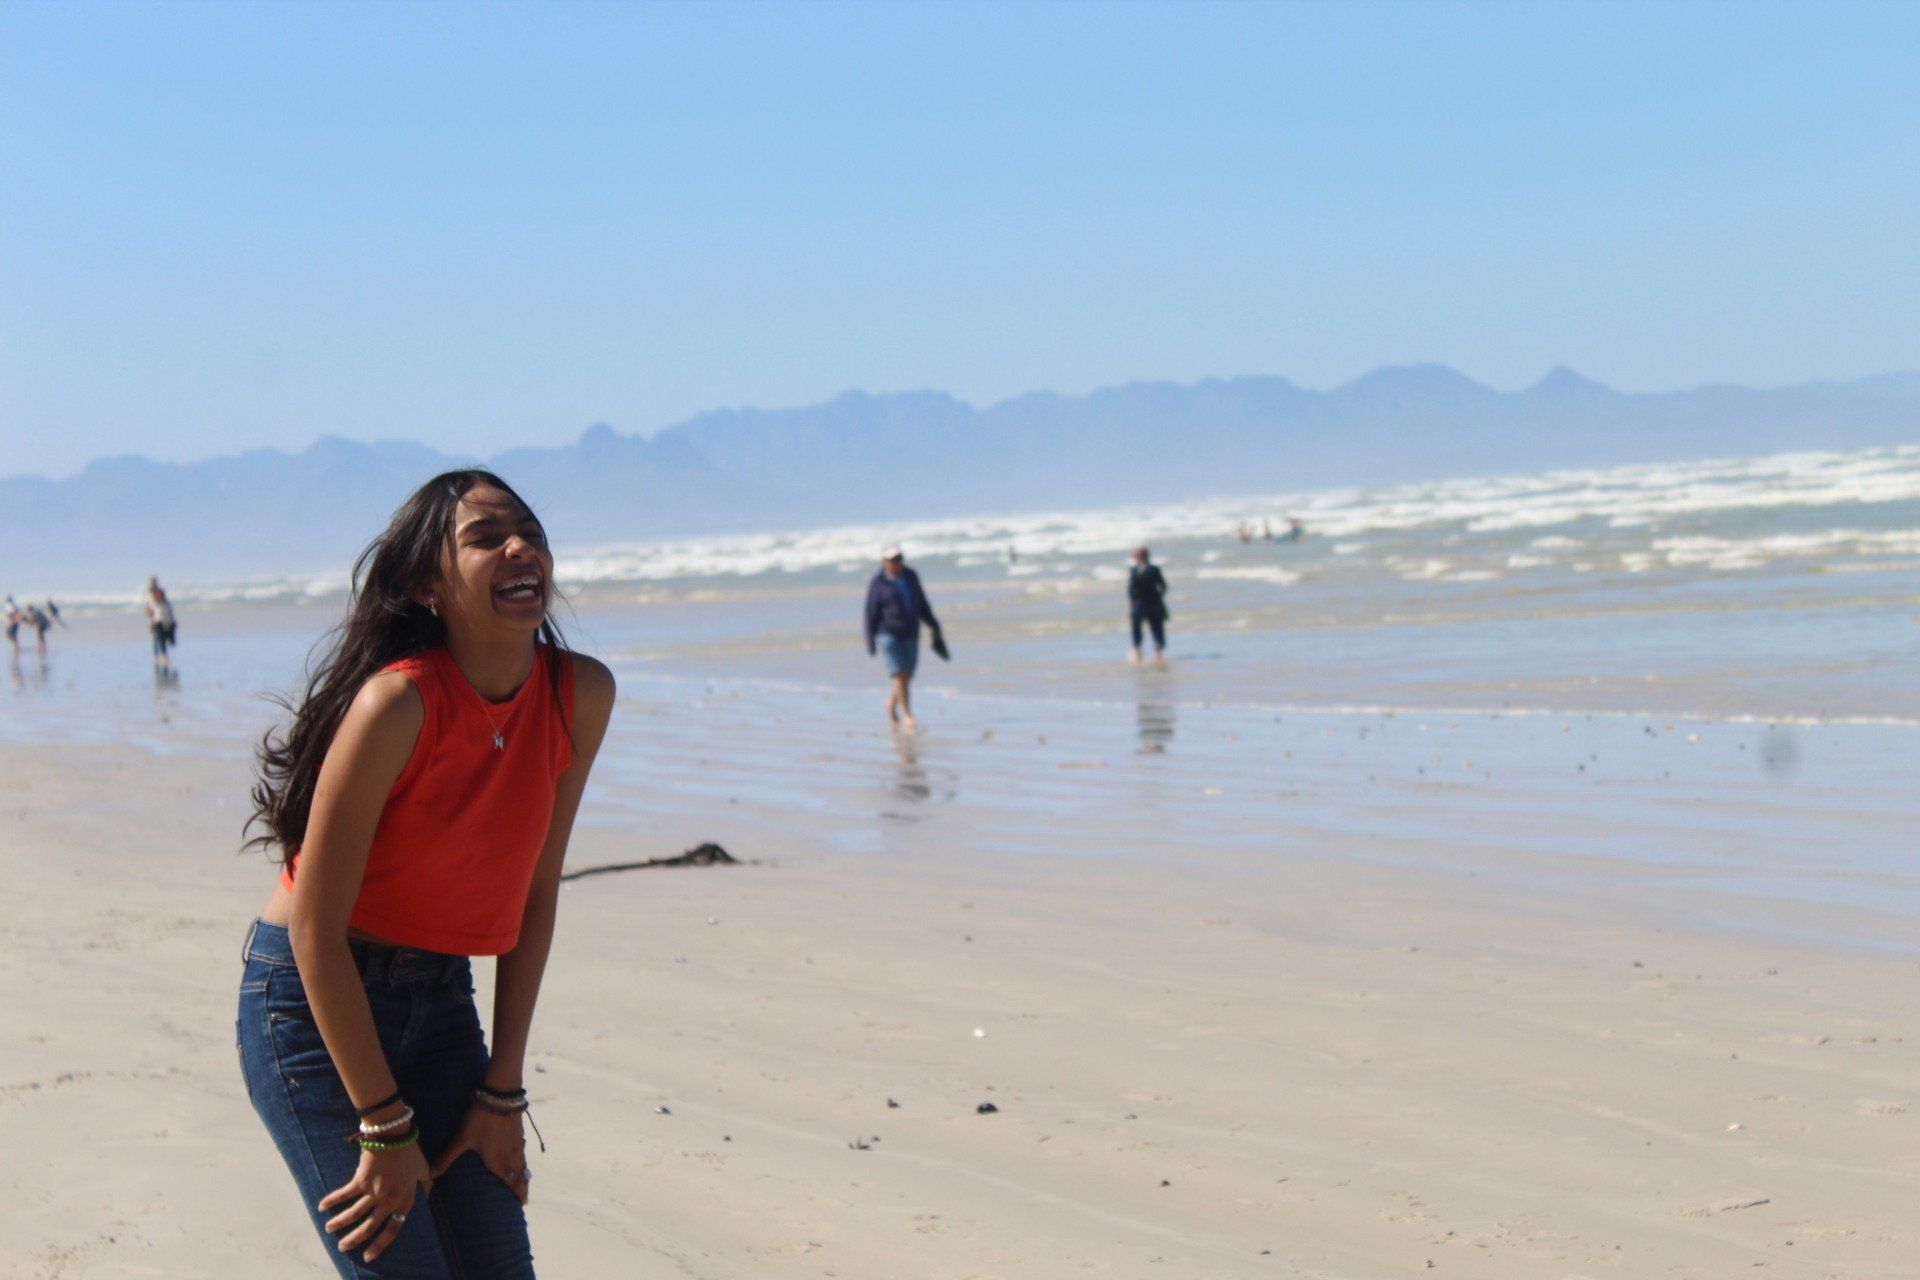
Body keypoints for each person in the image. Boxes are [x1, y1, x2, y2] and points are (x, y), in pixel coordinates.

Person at [236, 469, 616, 1277]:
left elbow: (536, 896)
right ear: (426, 586)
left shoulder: (577, 692)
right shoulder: (396, 706)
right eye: (485, 538)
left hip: (441, 1005)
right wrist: (382, 1124)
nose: (521, 548)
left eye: (530, 533)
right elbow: (314, 928)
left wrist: (502, 1094)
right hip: (311, 1009)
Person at [864, 542, 942, 733]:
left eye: (899, 558)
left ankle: (891, 702)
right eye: (892, 560)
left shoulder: (911, 576)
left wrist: (933, 624)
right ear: (885, 562)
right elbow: (870, 613)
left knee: (906, 676)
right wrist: (870, 640)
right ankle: (908, 714)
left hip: (911, 632)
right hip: (888, 634)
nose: (897, 562)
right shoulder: (878, 582)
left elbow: (922, 603)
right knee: (899, 674)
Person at [1127, 545, 1170, 664]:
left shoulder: (1154, 569)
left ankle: (1158, 650)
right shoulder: (1133, 570)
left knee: (1157, 626)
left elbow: (1163, 586)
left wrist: (1158, 597)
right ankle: (1137, 649)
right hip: (1139, 603)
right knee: (1136, 626)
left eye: (1138, 555)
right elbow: (1131, 587)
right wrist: (1132, 600)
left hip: (1153, 603)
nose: (1136, 557)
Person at [145, 577, 177, 670]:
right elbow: (149, 613)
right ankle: (159, 655)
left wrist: (171, 622)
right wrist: (150, 623)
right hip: (156, 623)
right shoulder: (152, 600)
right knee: (158, 639)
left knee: (161, 639)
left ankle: (161, 655)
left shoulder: (165, 603)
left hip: (164, 623)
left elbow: (170, 613)